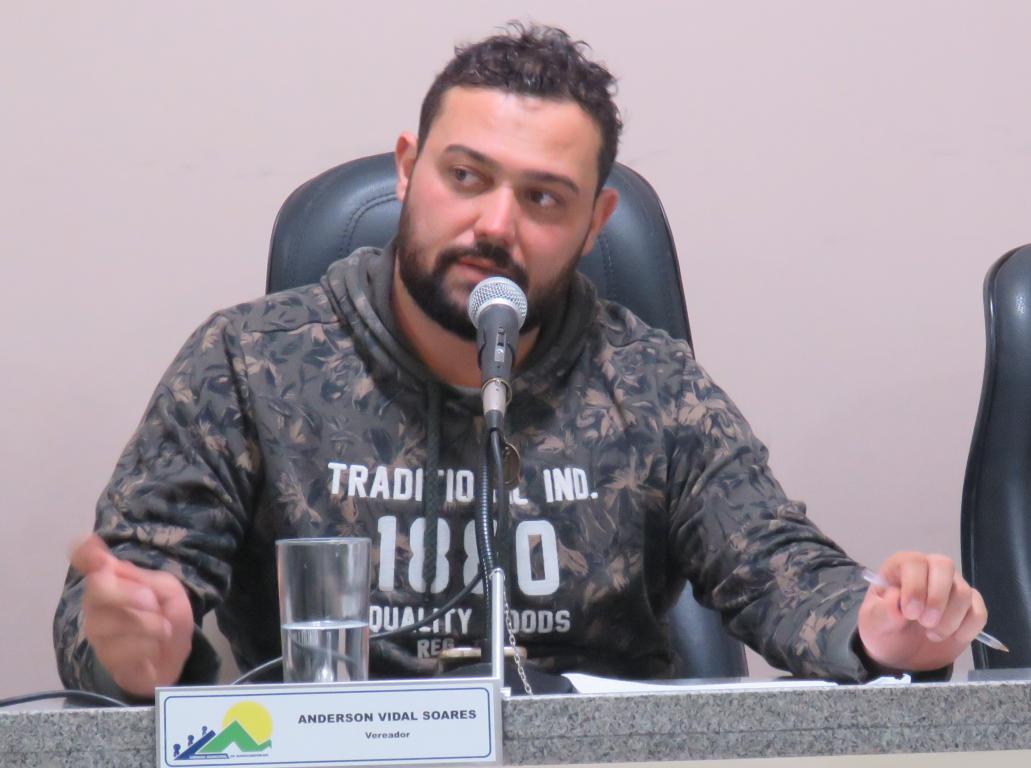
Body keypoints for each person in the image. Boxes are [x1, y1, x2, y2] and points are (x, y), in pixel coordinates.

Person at [55, 23, 987, 701]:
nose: (494, 226)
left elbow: (780, 570)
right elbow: (119, 603)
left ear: (594, 223)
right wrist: (134, 651)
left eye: (543, 198)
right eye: (465, 177)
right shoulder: (249, 362)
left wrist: (883, 630)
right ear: (408, 170)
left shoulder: (651, 387)